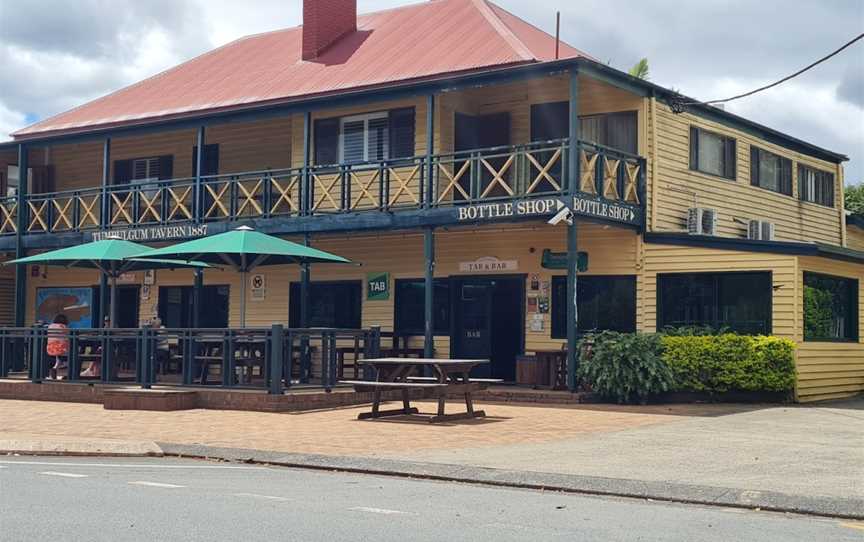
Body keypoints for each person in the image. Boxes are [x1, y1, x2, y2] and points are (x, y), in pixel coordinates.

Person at [46, 314, 70, 380]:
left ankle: (55, 367)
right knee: (73, 354)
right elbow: (69, 337)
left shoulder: (50, 326)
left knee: (58, 358)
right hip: (62, 350)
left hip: (50, 349)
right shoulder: (64, 327)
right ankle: (69, 374)